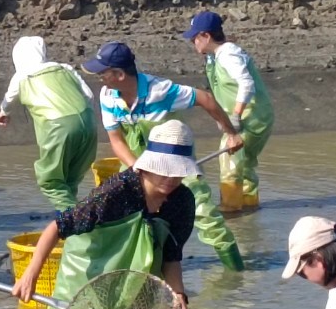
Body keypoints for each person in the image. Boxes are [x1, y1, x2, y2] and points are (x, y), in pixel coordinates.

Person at [1, 120, 196, 309]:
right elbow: (57, 227)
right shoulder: (117, 191)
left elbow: (171, 256)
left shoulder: (182, 201)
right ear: (146, 166)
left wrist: (178, 295)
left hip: (134, 293)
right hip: (83, 289)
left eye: (178, 172)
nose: (171, 178)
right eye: (164, 170)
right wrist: (30, 276)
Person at [83, 41, 245, 271]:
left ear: (119, 74)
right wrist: (136, 169)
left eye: (102, 72)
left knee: (205, 214)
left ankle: (237, 273)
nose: (99, 77)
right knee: (118, 212)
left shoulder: (160, 91)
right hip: (137, 161)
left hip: (176, 162)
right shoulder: (108, 96)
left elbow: (205, 99)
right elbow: (117, 140)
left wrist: (231, 133)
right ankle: (132, 269)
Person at [182, 11, 274, 211]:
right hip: (258, 114)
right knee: (246, 162)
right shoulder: (214, 57)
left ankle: (230, 210)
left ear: (206, 36)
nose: (193, 43)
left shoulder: (228, 54)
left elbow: (246, 83)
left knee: (230, 156)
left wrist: (235, 115)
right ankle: (249, 207)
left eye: (194, 38)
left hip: (252, 115)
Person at [0, 36, 97, 211]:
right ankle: (69, 221)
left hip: (58, 128)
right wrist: (84, 119)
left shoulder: (21, 76)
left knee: (51, 181)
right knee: (70, 180)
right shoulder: (65, 68)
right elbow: (89, 96)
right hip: (88, 123)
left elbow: (8, 99)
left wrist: (4, 112)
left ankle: (78, 226)